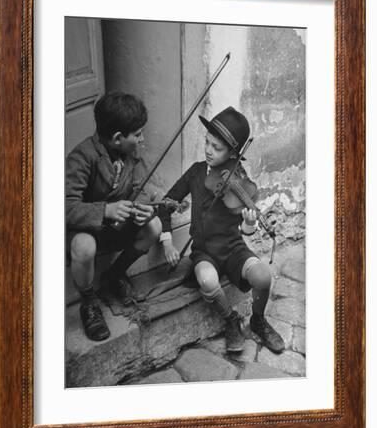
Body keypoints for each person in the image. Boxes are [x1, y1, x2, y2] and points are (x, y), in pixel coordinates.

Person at [158, 106, 285, 353]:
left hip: (232, 247)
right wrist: (166, 240)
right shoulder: (195, 173)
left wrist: (249, 224)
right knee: (206, 279)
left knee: (263, 277)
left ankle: (258, 321)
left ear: (232, 153)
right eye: (207, 143)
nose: (208, 150)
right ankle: (231, 320)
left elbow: (245, 232)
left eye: (217, 148)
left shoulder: (238, 179)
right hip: (204, 251)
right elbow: (166, 203)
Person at [66, 92, 161, 342]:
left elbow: (144, 186)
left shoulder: (133, 153)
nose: (142, 138)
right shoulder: (82, 157)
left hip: (115, 230)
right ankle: (89, 301)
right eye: (138, 134)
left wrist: (142, 208)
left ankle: (114, 274)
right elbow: (64, 207)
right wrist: (105, 211)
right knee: (84, 246)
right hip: (86, 230)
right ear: (118, 138)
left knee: (154, 226)